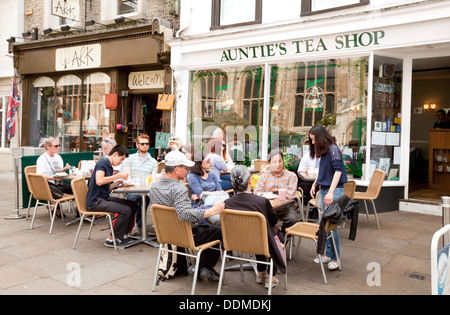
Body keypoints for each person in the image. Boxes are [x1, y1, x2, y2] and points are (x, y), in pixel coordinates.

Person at [149, 150, 225, 281]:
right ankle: (202, 267)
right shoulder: (179, 188)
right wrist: (212, 211)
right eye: (185, 167)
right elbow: (185, 215)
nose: (188, 170)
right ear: (177, 169)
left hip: (165, 233)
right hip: (185, 234)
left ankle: (202, 267)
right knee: (220, 231)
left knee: (207, 226)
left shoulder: (154, 186)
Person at [224, 165, 286, 289]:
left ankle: (261, 271)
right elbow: (273, 220)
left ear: (233, 184)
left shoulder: (227, 203)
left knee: (260, 234)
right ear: (250, 181)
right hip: (260, 242)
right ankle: (271, 277)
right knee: (275, 235)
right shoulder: (261, 201)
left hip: (237, 243)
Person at [309, 125, 348, 270]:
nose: (312, 143)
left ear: (320, 138)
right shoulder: (325, 150)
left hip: (334, 191)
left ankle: (336, 258)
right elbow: (324, 171)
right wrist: (315, 184)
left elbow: (338, 171)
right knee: (327, 225)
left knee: (332, 226)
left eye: (313, 140)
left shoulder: (333, 148)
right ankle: (328, 255)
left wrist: (331, 192)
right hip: (326, 189)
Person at [86, 145, 138, 248]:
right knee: (125, 210)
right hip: (95, 201)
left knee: (132, 204)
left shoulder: (108, 165)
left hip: (103, 198)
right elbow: (99, 181)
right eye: (121, 159)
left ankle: (123, 235)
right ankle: (112, 238)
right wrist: (118, 175)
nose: (121, 162)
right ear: (115, 154)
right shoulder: (102, 163)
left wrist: (118, 182)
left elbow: (107, 187)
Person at [254, 150, 299, 232]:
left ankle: (282, 238)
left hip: (285, 208)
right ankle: (272, 236)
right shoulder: (263, 177)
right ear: (269, 163)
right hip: (268, 208)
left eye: (280, 161)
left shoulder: (291, 176)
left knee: (293, 219)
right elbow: (257, 192)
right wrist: (276, 195)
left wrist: (270, 194)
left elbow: (289, 194)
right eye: (274, 162)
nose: (278, 165)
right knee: (258, 218)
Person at [122, 134, 158, 236]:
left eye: (147, 144)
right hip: (131, 190)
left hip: (147, 191)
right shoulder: (129, 159)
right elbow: (126, 178)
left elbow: (154, 179)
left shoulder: (153, 162)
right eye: (142, 144)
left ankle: (159, 227)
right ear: (137, 145)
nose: (145, 146)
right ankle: (137, 225)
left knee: (159, 199)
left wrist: (150, 190)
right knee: (138, 198)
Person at [36, 137, 72, 218]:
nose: (58, 147)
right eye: (56, 146)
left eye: (58, 145)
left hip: (58, 183)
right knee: (59, 192)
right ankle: (54, 206)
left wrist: (64, 169)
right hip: (48, 185)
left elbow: (58, 173)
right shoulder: (42, 159)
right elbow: (40, 177)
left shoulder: (58, 157)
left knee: (78, 188)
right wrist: (54, 178)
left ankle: (80, 212)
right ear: (48, 147)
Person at [297, 141, 320, 206]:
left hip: (321, 181)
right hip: (308, 181)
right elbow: (300, 171)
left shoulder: (325, 157)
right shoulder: (307, 156)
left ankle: (315, 208)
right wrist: (306, 171)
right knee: (308, 187)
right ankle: (312, 207)